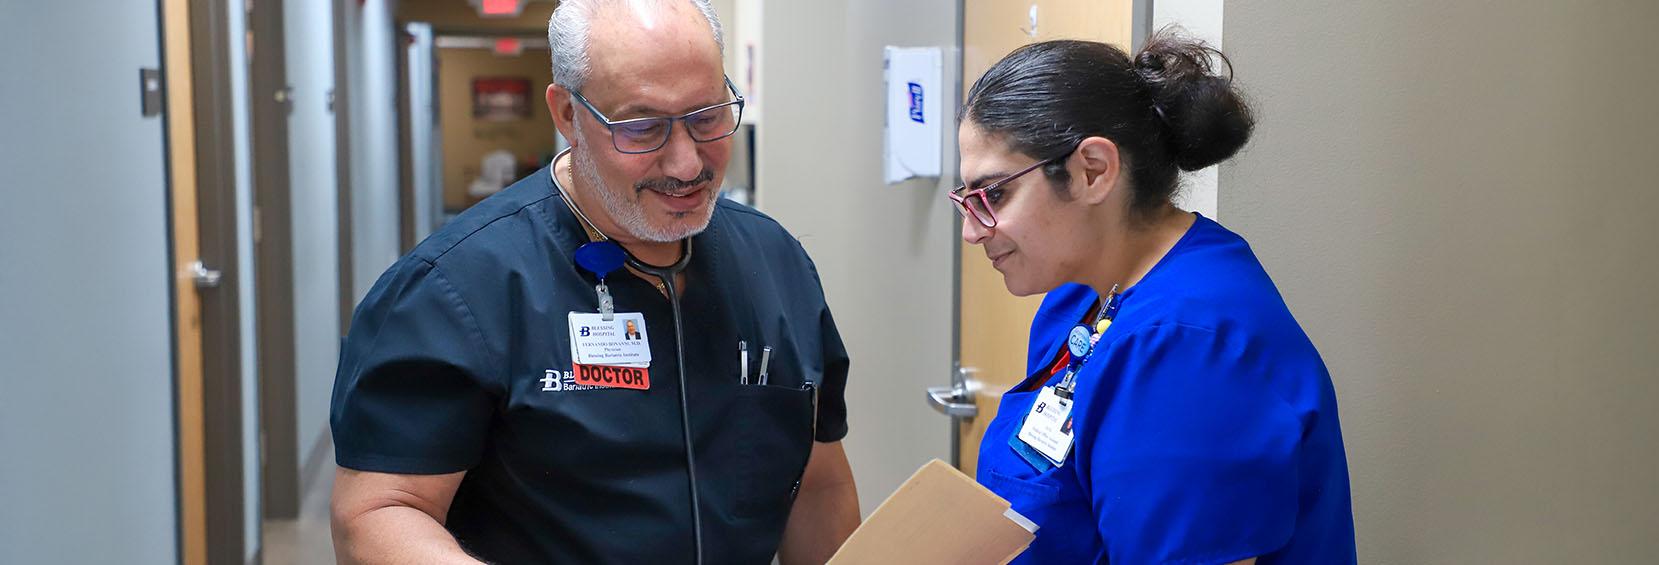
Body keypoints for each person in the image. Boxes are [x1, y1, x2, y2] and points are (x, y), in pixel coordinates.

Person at [328, 1, 859, 563]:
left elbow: (818, 483)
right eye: (642, 127)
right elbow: (376, 513)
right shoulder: (454, 290)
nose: (686, 164)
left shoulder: (775, 263)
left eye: (706, 117)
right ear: (568, 114)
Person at [949, 30, 1356, 564]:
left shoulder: (1190, 347)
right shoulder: (1079, 298)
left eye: (994, 194)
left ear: (1093, 170)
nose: (972, 231)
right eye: (967, 200)